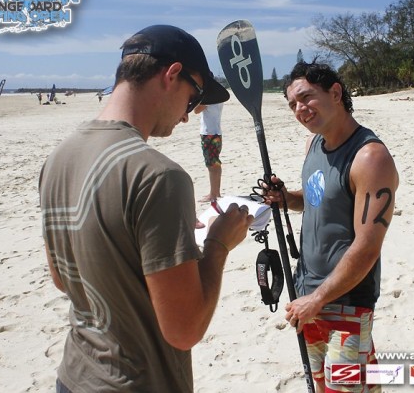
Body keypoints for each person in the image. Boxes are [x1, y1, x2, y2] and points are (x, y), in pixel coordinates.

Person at [39, 24, 254, 393]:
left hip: (74, 374)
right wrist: (218, 245)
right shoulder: (159, 176)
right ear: (172, 75)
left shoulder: (58, 158)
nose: (188, 115)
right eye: (193, 97)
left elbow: (63, 278)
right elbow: (185, 330)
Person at [263, 61, 399, 392]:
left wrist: (319, 298)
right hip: (307, 295)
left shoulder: (370, 157)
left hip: (345, 301)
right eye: (293, 104)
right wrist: (285, 198)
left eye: (306, 97)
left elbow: (367, 246)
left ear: (335, 93)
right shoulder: (314, 146)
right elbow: (315, 201)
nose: (299, 109)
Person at [193, 103, 223, 202]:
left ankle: (213, 194)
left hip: (209, 133)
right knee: (215, 163)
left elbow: (196, 110)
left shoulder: (210, 95)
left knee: (212, 164)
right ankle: (216, 192)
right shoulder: (219, 94)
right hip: (217, 132)